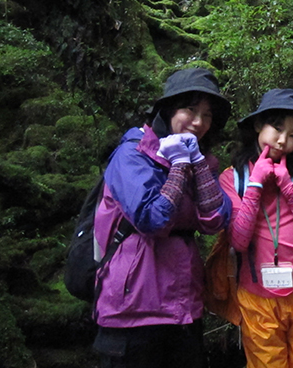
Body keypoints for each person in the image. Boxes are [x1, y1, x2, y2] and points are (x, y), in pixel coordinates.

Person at [92, 67, 233, 368]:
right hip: (132, 311)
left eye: (207, 115)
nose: (198, 122)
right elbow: (152, 218)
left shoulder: (200, 159)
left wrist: (196, 164)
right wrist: (180, 165)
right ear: (168, 109)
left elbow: (215, 220)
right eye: (190, 110)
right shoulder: (131, 156)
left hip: (183, 306)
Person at [220, 88, 293, 368]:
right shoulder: (232, 178)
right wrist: (256, 183)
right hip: (256, 295)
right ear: (259, 125)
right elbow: (238, 241)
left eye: (292, 135)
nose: (282, 140)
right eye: (277, 128)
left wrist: (289, 188)